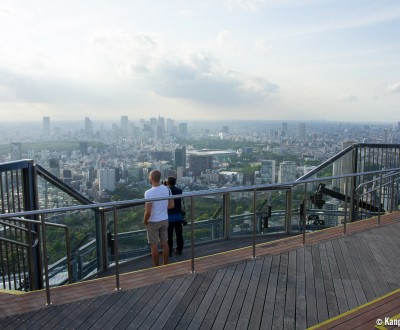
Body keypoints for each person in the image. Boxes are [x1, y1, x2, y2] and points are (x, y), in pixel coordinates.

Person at [143, 170, 174, 267]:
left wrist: (145, 221)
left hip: (153, 221)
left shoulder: (148, 193)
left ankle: (156, 268)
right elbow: (171, 205)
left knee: (154, 245)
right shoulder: (167, 189)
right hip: (164, 219)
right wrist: (162, 207)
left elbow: (148, 212)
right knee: (165, 243)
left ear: (151, 178)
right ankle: (165, 265)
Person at [166, 176, 184, 257]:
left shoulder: (167, 191)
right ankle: (179, 249)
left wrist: (165, 185)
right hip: (178, 216)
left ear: (168, 182)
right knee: (179, 234)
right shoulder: (179, 190)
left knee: (169, 235)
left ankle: (169, 251)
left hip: (169, 216)